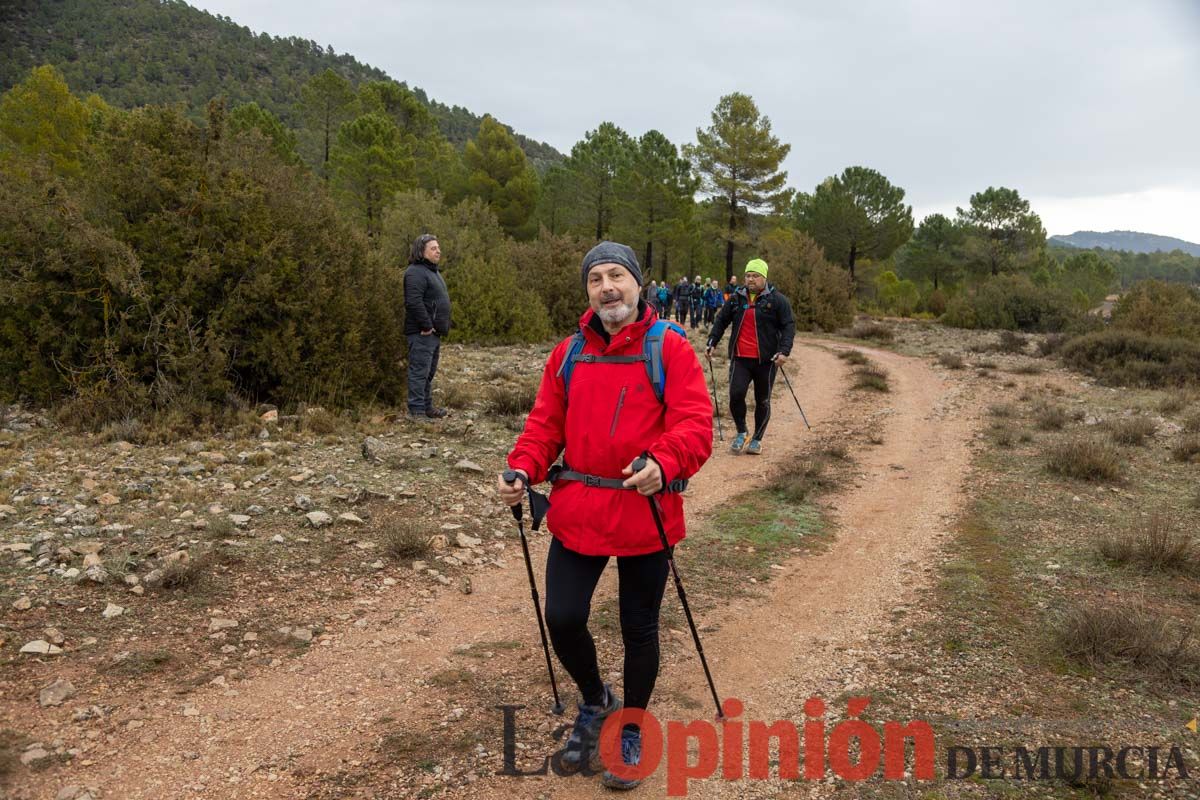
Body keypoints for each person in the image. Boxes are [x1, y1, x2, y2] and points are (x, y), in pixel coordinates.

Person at [496, 241, 713, 790]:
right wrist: (522, 467)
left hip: (645, 511)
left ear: (640, 283)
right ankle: (597, 701)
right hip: (581, 509)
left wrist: (665, 462)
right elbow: (544, 426)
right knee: (563, 617)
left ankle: (633, 727)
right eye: (596, 279)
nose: (607, 287)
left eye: (617, 275)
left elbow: (695, 425)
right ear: (588, 291)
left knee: (638, 627)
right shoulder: (569, 353)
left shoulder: (670, 348)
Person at [706, 258, 795, 455]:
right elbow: (721, 321)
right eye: (748, 276)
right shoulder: (736, 298)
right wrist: (712, 341)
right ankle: (741, 432)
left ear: (764, 278)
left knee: (762, 400)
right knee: (736, 395)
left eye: (755, 276)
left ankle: (757, 439)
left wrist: (784, 351)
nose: (751, 279)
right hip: (740, 358)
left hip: (767, 360)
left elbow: (788, 326)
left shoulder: (777, 300)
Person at [402, 234, 451, 419]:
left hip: (433, 333)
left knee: (428, 373)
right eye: (433, 248)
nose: (438, 251)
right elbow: (413, 302)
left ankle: (426, 407)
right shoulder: (415, 272)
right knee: (419, 372)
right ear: (421, 252)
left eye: (438, 247)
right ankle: (417, 411)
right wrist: (427, 325)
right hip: (422, 332)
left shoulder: (432, 272)